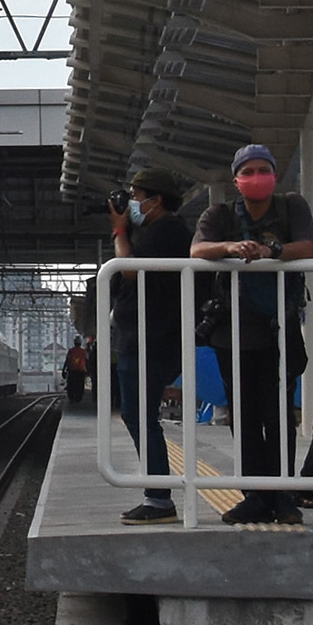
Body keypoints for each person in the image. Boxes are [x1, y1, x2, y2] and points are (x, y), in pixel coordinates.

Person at [188, 144, 313, 524]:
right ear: (236, 180)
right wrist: (230, 247)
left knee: (278, 413)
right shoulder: (219, 214)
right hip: (232, 330)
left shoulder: (291, 205)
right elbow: (197, 248)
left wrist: (271, 250)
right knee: (242, 415)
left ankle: (281, 494)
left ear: (275, 175)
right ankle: (256, 494)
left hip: (280, 328)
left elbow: (310, 244)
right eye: (248, 172)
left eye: (263, 169)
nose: (256, 177)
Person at [102, 165, 194, 522]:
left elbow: (128, 268)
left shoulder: (168, 229)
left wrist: (119, 229)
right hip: (145, 338)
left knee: (140, 415)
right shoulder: (162, 230)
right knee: (138, 415)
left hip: (150, 339)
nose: (132, 203)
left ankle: (159, 498)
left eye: (137, 197)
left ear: (156, 200)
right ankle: (157, 494)